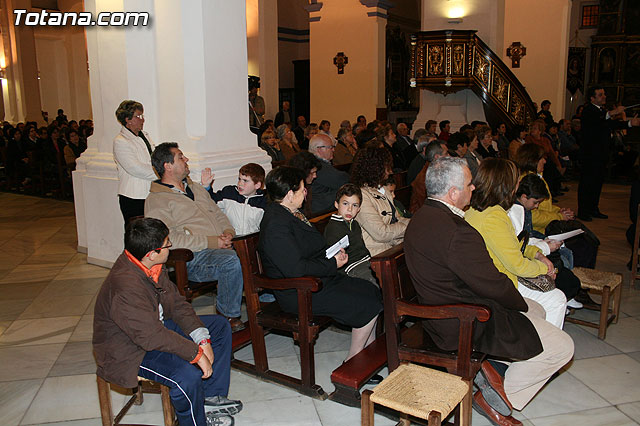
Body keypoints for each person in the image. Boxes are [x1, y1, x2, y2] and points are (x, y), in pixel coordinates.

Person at [405, 157, 573, 426]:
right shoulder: (456, 230)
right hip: (462, 320)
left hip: (442, 309)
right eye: (470, 185)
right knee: (563, 346)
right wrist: (516, 303)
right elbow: (493, 284)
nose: (474, 189)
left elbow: (479, 277)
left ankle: (496, 368)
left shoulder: (422, 217)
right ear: (453, 192)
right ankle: (496, 397)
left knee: (538, 309)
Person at [93, 217, 242, 426]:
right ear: (151, 253)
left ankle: (207, 399)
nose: (170, 247)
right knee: (186, 375)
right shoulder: (125, 286)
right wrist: (196, 354)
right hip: (129, 349)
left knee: (218, 327)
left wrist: (202, 338)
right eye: (167, 244)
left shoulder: (150, 265)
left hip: (152, 330)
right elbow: (150, 337)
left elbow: (177, 304)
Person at [258, 166, 382, 363]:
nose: (305, 191)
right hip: (299, 291)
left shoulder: (290, 213)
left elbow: (309, 249)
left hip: (317, 278)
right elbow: (295, 269)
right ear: (290, 194)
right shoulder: (276, 225)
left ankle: (369, 351)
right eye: (301, 188)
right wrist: (332, 264)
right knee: (366, 302)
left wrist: (333, 255)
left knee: (372, 291)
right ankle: (354, 360)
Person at [145, 143, 245, 332]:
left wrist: (228, 233)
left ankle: (266, 299)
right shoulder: (157, 200)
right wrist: (213, 242)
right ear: (168, 166)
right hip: (192, 258)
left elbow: (218, 213)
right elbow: (168, 238)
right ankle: (227, 317)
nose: (186, 160)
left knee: (255, 248)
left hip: (219, 246)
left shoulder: (195, 189)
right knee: (230, 262)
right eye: (181, 157)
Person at [465, 158, 568, 329]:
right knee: (556, 299)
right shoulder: (494, 217)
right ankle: (543, 350)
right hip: (499, 283)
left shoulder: (476, 210)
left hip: (491, 277)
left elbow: (511, 245)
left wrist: (537, 254)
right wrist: (546, 269)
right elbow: (517, 265)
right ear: (507, 186)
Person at [508, 173, 583, 310]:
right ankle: (563, 295)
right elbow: (520, 243)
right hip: (523, 254)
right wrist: (543, 246)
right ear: (524, 197)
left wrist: (545, 242)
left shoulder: (524, 207)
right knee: (559, 263)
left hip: (530, 246)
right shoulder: (515, 210)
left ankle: (565, 294)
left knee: (565, 254)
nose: (536, 206)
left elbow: (526, 236)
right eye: (535, 202)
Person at [578, 85, 640, 220]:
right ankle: (583, 212)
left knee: (597, 183)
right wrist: (613, 112)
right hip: (590, 155)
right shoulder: (588, 110)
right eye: (600, 95)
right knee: (587, 183)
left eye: (604, 94)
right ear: (592, 98)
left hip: (601, 154)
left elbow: (610, 124)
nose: (604, 96)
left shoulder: (602, 111)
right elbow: (598, 119)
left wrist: (630, 124)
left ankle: (593, 208)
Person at [351, 146, 410, 256]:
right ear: (375, 168)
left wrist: (415, 222)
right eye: (386, 167)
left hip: (394, 244)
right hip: (377, 252)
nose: (390, 171)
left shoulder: (383, 189)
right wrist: (410, 227)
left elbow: (396, 218)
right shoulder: (360, 195)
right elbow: (381, 233)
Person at [113, 100, 156, 224]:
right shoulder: (121, 141)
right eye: (138, 116)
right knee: (135, 235)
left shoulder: (144, 135)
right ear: (127, 119)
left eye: (142, 116)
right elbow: (135, 168)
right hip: (133, 195)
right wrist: (161, 173)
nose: (142, 120)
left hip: (149, 193)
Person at [324, 184, 377, 285]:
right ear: (336, 204)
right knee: (374, 282)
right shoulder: (333, 228)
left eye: (354, 205)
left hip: (366, 261)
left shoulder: (355, 224)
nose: (349, 209)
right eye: (345, 204)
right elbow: (334, 259)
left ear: (359, 209)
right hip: (350, 268)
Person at [203, 163, 266, 236]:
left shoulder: (263, 201)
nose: (240, 184)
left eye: (245, 181)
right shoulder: (229, 193)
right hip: (232, 238)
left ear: (257, 185)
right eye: (239, 179)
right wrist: (206, 187)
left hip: (253, 241)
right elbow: (210, 203)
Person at [308, 134, 350, 214]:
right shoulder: (318, 166)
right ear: (319, 149)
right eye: (331, 147)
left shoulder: (314, 162)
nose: (333, 150)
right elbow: (344, 179)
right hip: (319, 209)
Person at [409, 140, 448, 214]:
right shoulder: (424, 179)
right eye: (446, 154)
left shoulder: (437, 172)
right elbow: (428, 207)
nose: (449, 156)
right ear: (437, 157)